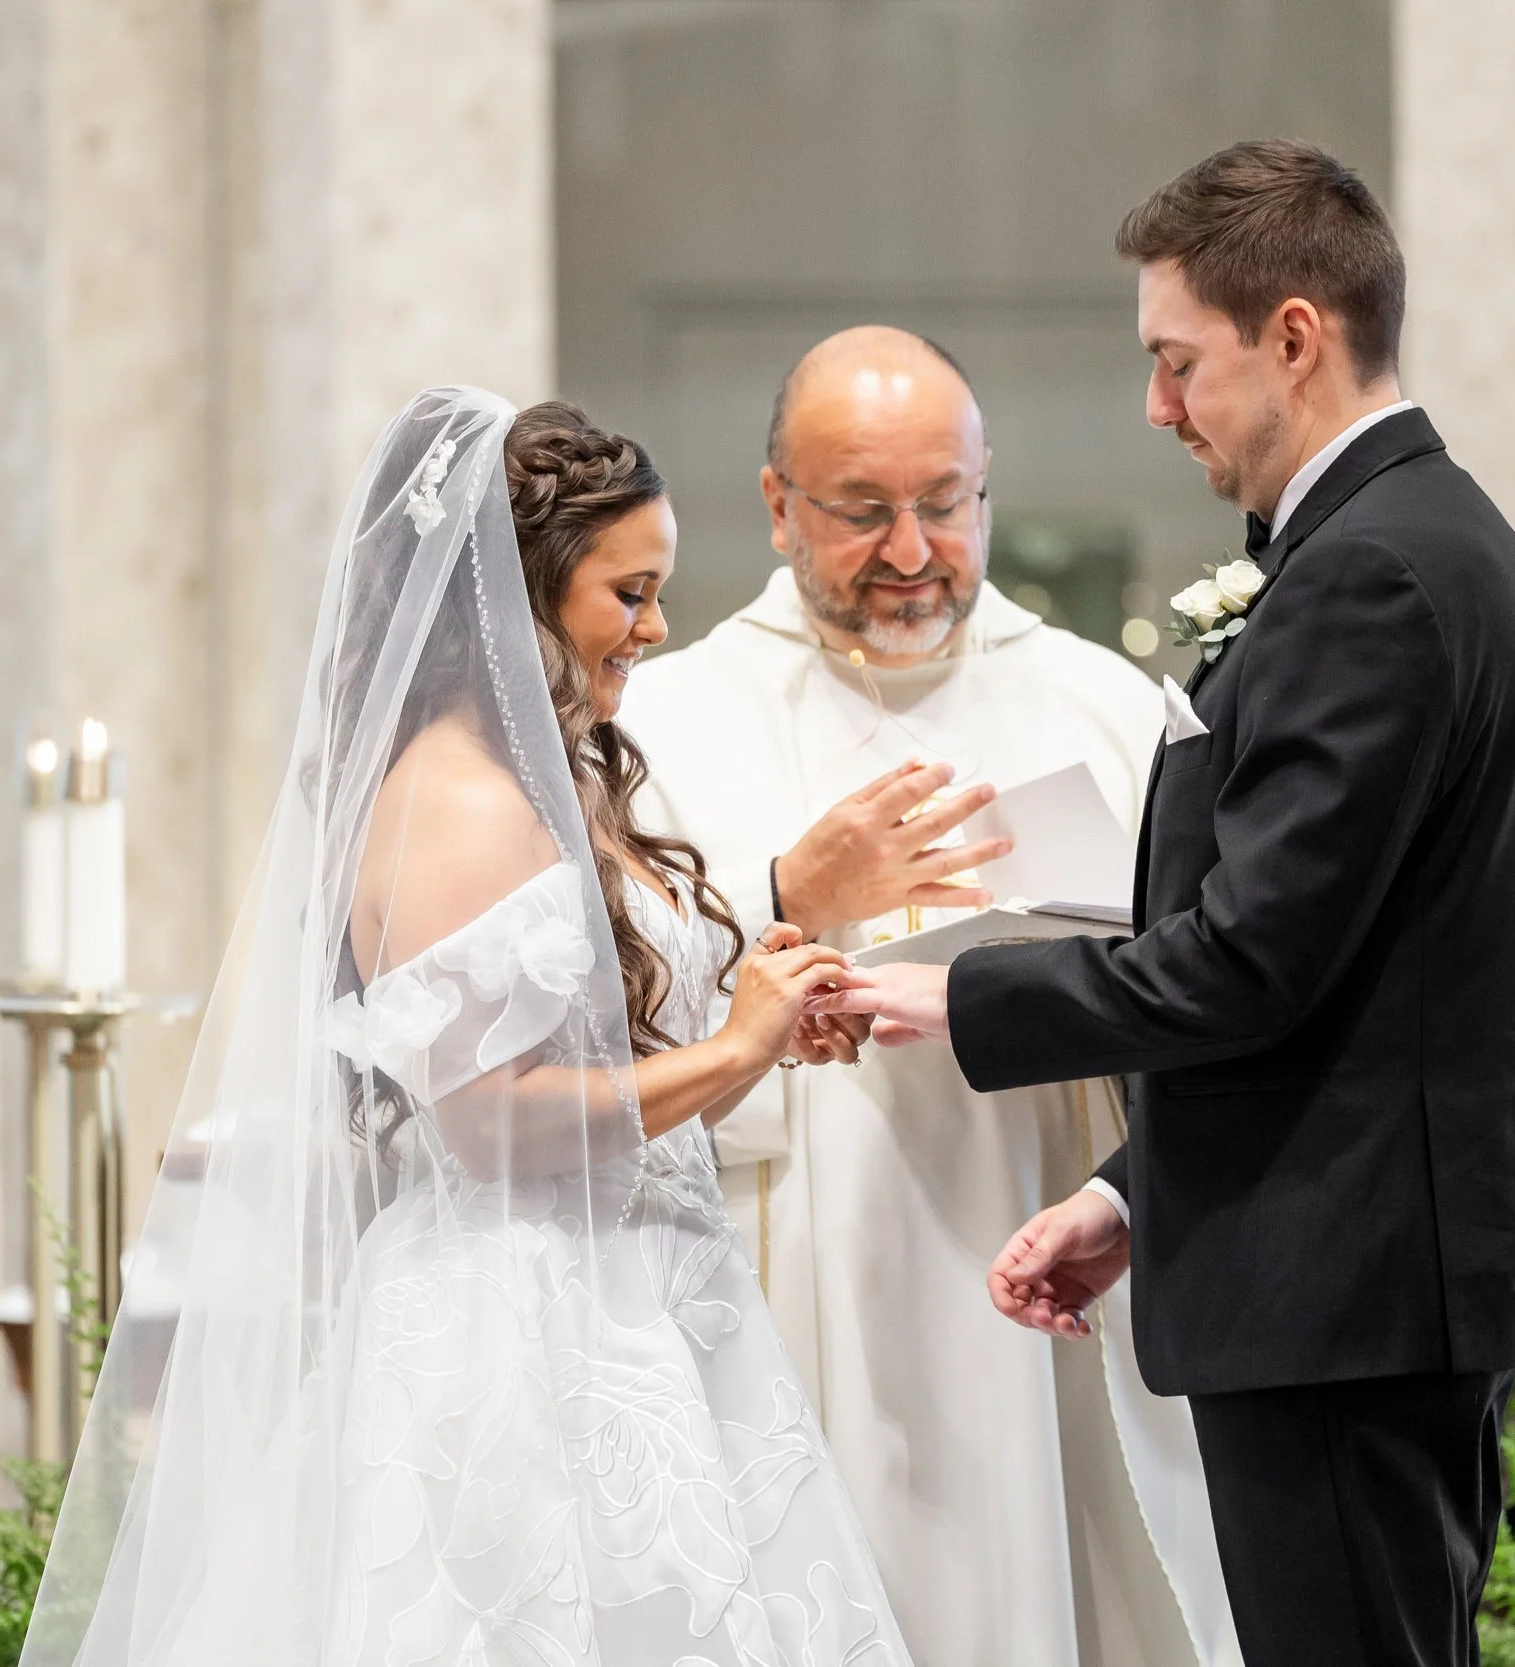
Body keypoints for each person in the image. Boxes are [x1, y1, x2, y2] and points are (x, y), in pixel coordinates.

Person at [822, 142, 1515, 1665]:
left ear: (1293, 335)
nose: (1157, 407)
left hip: (1350, 1300)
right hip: (1361, 1276)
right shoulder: (1411, 540)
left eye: (1176, 361)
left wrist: (953, 991)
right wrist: (1132, 1193)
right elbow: (1354, 983)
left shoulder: (1371, 573)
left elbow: (1253, 958)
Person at [19, 389, 914, 1667]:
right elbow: (492, 1116)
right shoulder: (457, 795)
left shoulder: (549, 771)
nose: (654, 626)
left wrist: (751, 1005)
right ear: (521, 593)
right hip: (525, 1331)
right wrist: (734, 1050)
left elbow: (595, 1067)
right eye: (629, 591)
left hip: (637, 1295)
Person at [621, 327, 1239, 1667]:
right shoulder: (668, 722)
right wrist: (788, 887)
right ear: (780, 505)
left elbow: (1211, 984)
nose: (912, 550)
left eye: (944, 503)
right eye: (862, 511)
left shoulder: (1103, 708)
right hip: (785, 1258)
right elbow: (593, 1001)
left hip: (1039, 1245)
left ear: (986, 487)